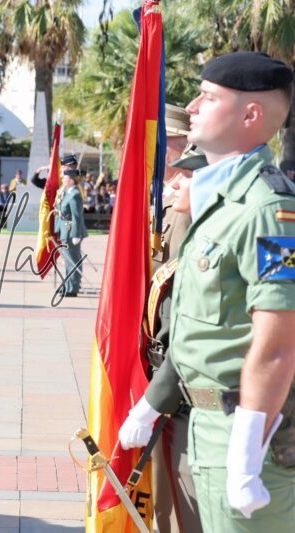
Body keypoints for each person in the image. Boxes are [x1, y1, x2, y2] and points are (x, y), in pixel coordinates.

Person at [142, 52, 295, 532]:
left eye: (208, 98)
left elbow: (278, 342)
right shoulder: (223, 204)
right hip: (207, 424)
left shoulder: (268, 209)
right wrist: (150, 405)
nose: (191, 107)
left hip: (249, 431)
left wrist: (246, 453)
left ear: (250, 115)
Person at [119, 145, 207, 533]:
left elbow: (191, 337)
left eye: (188, 175)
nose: (177, 182)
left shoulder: (202, 244)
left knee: (189, 513)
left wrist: (153, 402)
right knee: (169, 511)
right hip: (171, 387)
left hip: (194, 399)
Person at [55, 169, 86, 297]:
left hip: (71, 231)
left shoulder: (75, 195)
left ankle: (73, 288)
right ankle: (68, 285)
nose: (63, 180)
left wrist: (76, 234)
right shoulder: (68, 193)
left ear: (71, 180)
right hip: (66, 229)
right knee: (68, 260)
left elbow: (76, 217)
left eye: (65, 178)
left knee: (73, 260)